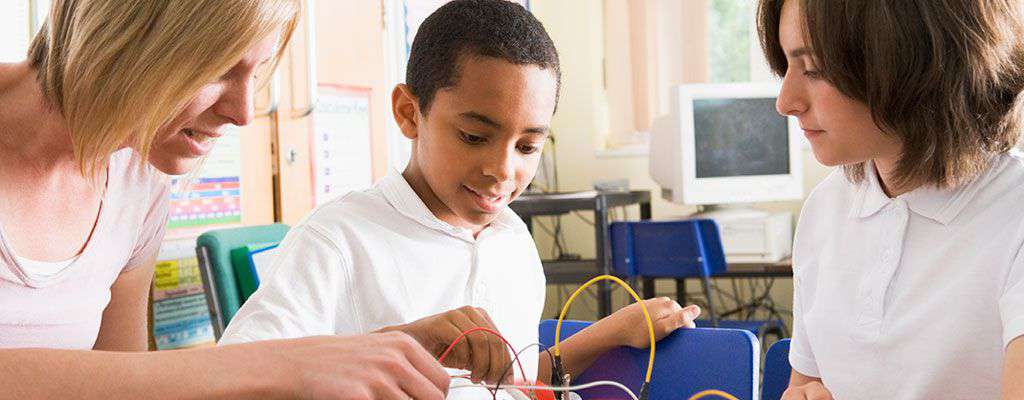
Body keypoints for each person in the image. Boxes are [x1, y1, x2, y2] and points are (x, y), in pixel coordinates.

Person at [220, 0, 702, 395]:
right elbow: (234, 380)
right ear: (410, 113)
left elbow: (516, 382)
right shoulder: (339, 240)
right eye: (474, 136)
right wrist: (405, 344)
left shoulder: (512, 239)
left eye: (528, 146)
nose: (502, 169)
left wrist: (612, 331)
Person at [0, 1, 448, 398]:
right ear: (120, 36)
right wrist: (268, 365)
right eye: (218, 70)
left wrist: (357, 352)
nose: (243, 112)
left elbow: (125, 380)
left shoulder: (138, 179)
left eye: (257, 70)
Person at [756, 0, 1024, 398]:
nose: (786, 102)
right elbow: (808, 386)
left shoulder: (1013, 214)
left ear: (915, 62)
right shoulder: (825, 208)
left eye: (813, 69)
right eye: (787, 68)